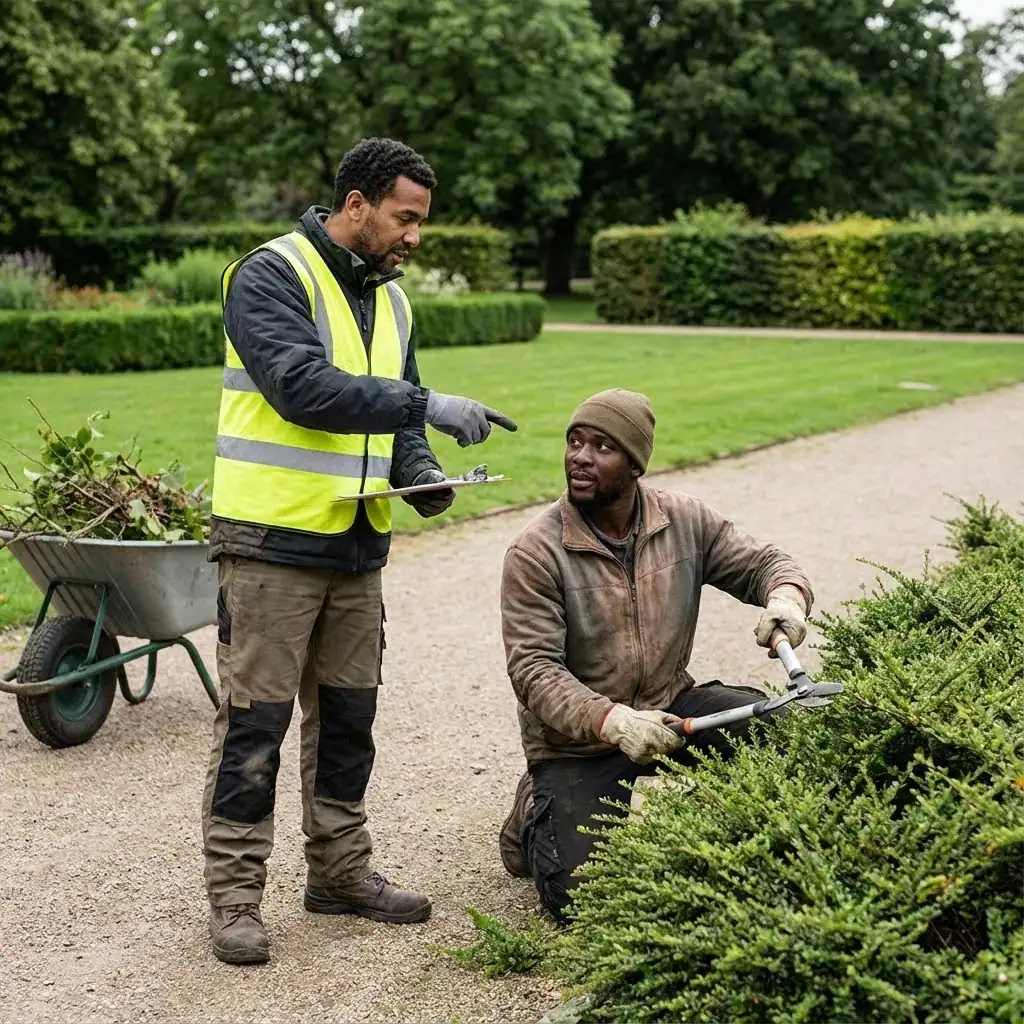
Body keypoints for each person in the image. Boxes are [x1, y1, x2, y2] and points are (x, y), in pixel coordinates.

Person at [201, 137, 517, 965]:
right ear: (356, 205)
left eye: (421, 221)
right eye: (405, 218)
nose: (414, 236)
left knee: (350, 723)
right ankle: (236, 899)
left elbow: (400, 422)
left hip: (357, 545)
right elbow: (303, 389)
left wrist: (423, 475)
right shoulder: (270, 275)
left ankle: (339, 874)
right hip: (270, 543)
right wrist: (430, 401)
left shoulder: (393, 301)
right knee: (255, 728)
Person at [497, 388, 812, 922]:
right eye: (575, 442)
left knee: (779, 728)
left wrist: (787, 598)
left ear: (635, 463)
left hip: (670, 706)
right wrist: (612, 720)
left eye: (602, 446)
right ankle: (534, 808)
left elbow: (766, 563)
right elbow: (534, 669)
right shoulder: (536, 552)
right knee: (580, 901)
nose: (580, 456)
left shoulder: (684, 520)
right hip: (581, 742)